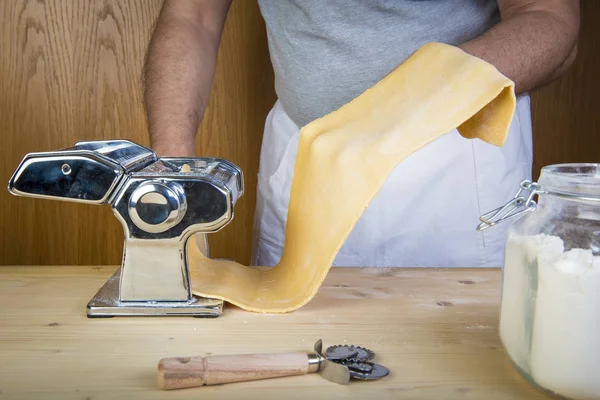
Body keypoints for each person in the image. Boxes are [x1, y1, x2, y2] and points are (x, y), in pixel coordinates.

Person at [143, 0, 579, 268]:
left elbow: (547, 15)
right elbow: (192, 15)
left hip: (457, 168)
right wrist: (172, 177)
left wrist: (410, 99)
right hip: (305, 161)